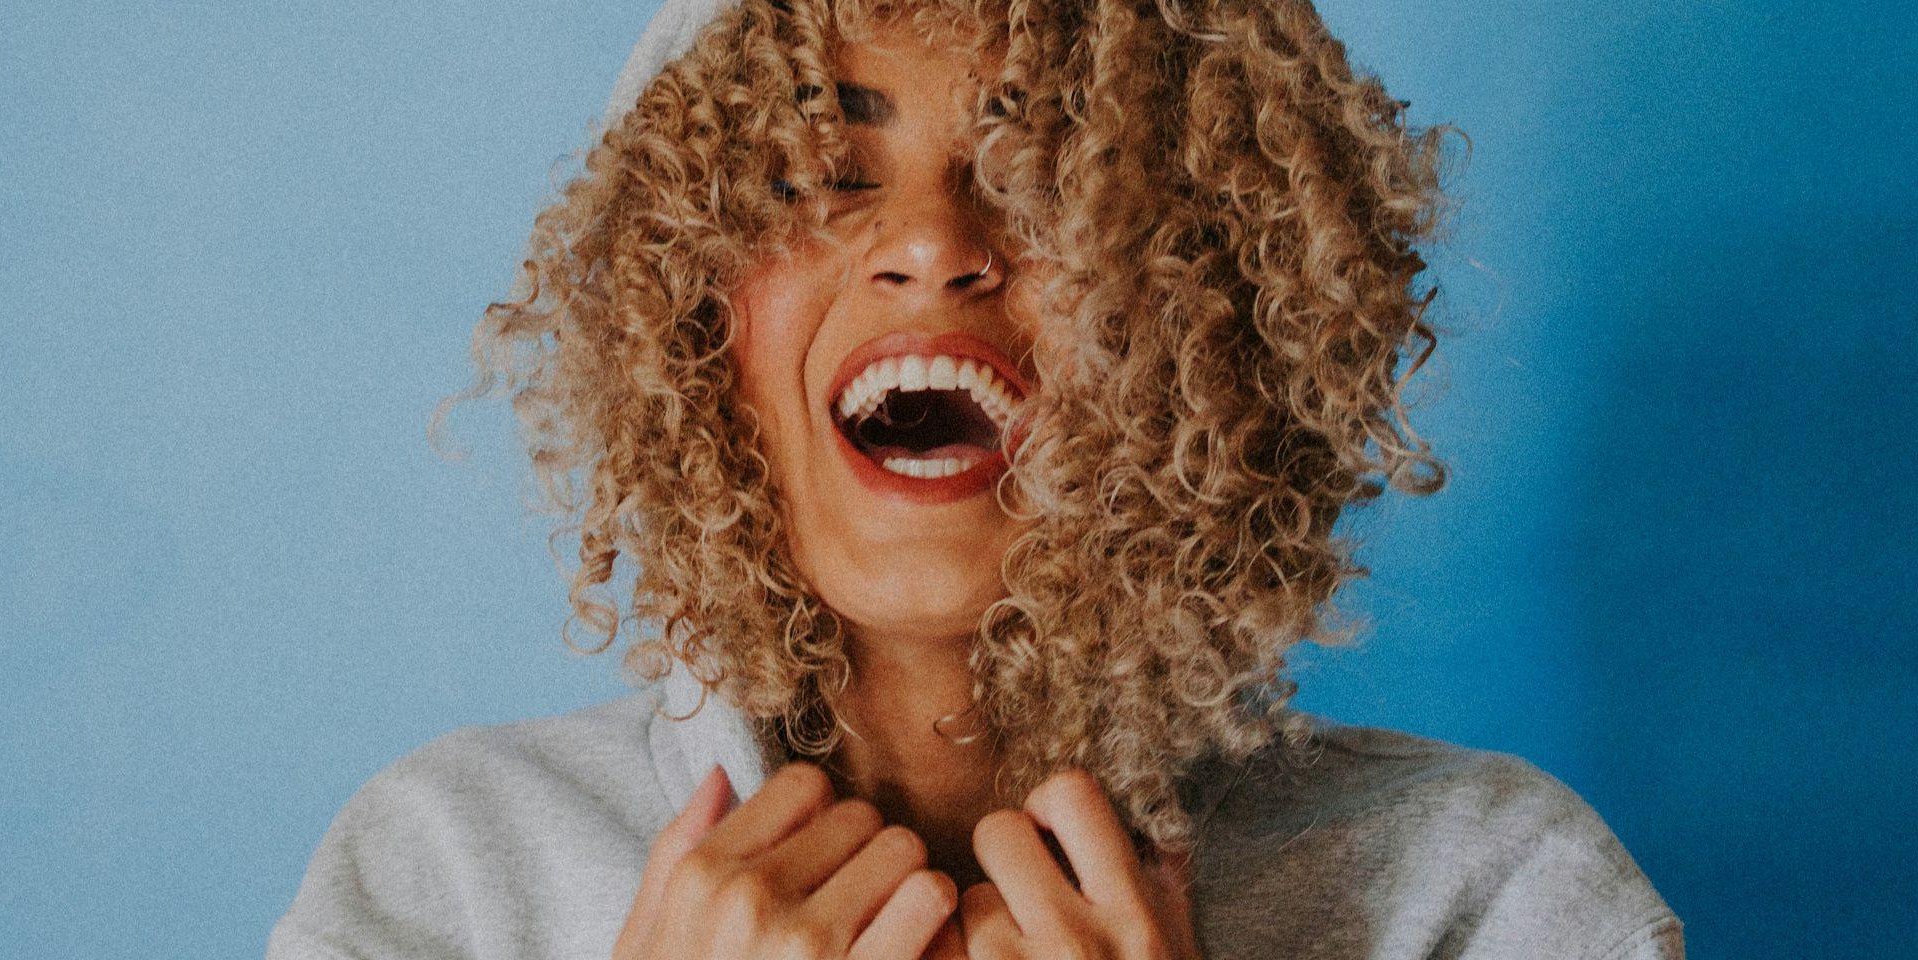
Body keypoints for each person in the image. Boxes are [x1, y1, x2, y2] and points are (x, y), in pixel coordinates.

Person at [270, 0, 1685, 957]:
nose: (933, 245)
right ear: (688, 323)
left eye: (1051, 167)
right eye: (823, 170)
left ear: (1223, 309)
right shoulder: (446, 879)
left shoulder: (1489, 896)